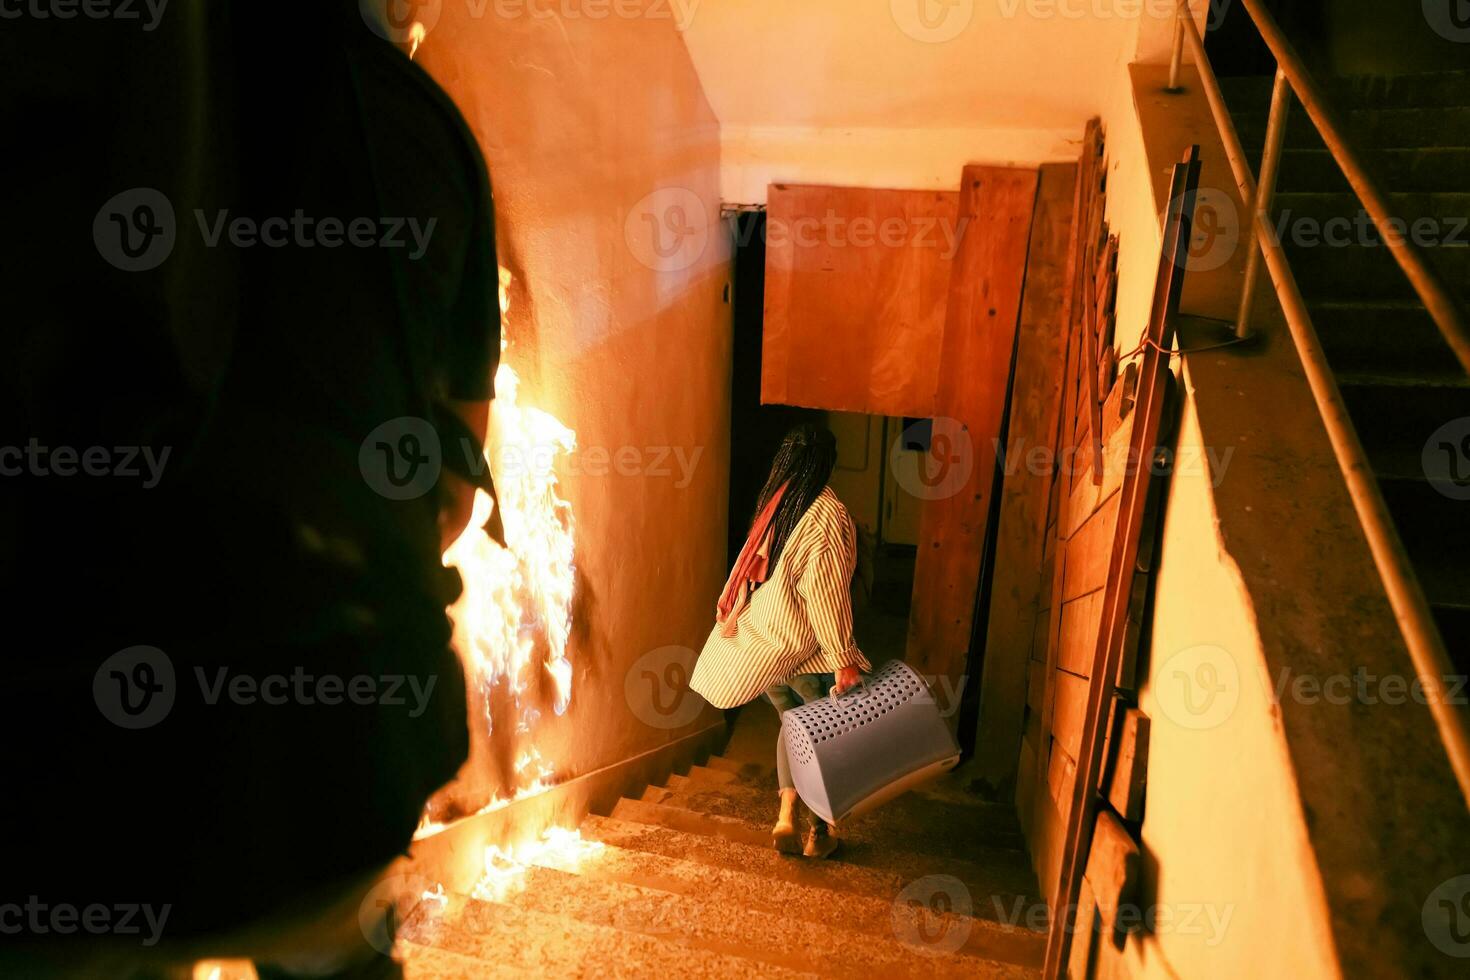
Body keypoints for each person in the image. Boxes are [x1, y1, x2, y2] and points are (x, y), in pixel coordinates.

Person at [690, 425, 871, 859]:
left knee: (792, 727)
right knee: (826, 740)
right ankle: (819, 833)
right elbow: (824, 593)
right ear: (826, 463)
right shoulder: (826, 514)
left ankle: (785, 813)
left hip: (771, 653)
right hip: (810, 654)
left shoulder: (775, 505)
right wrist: (844, 658)